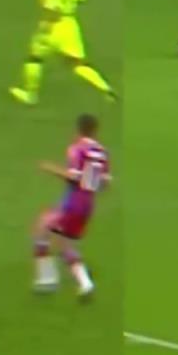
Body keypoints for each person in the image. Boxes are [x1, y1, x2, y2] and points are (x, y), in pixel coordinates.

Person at [10, 0, 115, 105]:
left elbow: (51, 8)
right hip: (70, 26)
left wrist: (46, 27)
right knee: (78, 64)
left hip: (51, 26)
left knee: (34, 58)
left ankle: (30, 95)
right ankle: (105, 89)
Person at [32, 113, 111, 299]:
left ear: (78, 129)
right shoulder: (102, 152)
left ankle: (48, 280)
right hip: (87, 205)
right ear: (95, 130)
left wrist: (49, 168)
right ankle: (85, 284)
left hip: (73, 202)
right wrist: (91, 185)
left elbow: (74, 176)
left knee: (41, 229)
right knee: (63, 243)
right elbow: (106, 182)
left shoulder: (77, 148)